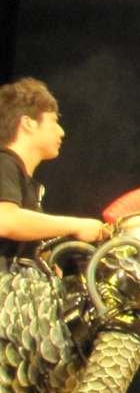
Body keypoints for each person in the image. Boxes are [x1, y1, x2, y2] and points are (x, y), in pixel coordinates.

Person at [0, 77, 111, 260]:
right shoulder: (4, 162)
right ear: (28, 123)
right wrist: (76, 225)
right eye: (53, 121)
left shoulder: (29, 188)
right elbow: (5, 220)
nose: (62, 131)